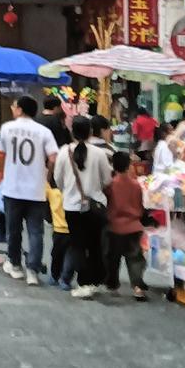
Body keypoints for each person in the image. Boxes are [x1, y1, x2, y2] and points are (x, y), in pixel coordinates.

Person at [0, 95, 56, 285]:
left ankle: (15, 266)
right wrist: (46, 176)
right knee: (36, 232)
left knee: (13, 230)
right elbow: (54, 157)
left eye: (14, 106)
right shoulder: (43, 131)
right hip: (36, 190)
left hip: (12, 188)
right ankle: (33, 270)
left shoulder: (7, 128)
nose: (13, 109)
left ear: (20, 109)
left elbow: (2, 154)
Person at [53, 116, 111, 299]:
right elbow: (107, 180)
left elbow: (58, 179)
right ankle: (94, 280)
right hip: (95, 206)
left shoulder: (63, 152)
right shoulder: (99, 153)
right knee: (94, 244)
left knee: (78, 245)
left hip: (72, 207)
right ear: (91, 132)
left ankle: (83, 282)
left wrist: (69, 192)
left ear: (72, 132)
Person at [104, 149, 148, 300]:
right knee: (135, 258)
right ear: (128, 165)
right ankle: (137, 287)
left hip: (115, 226)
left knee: (113, 258)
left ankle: (112, 285)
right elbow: (140, 207)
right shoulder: (136, 185)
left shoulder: (110, 185)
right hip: (134, 226)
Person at [46, 171, 70, 288]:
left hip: (58, 231)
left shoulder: (52, 193)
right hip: (71, 231)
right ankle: (65, 280)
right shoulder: (71, 194)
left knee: (56, 255)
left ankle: (54, 276)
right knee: (69, 256)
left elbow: (44, 184)